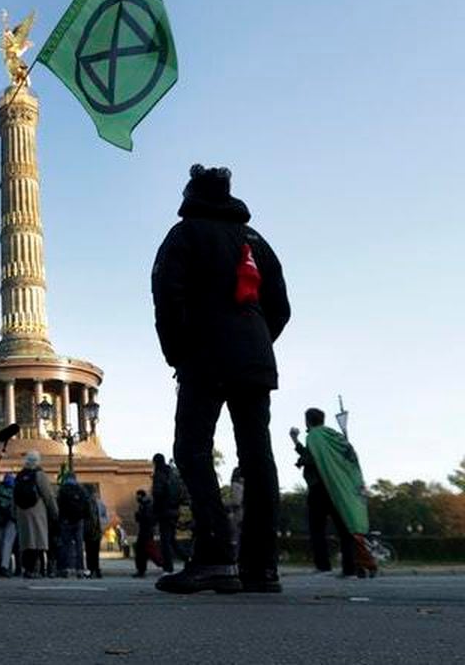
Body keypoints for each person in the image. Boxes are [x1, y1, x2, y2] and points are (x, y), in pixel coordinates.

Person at [152, 164, 290, 595]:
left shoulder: (185, 235)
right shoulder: (256, 242)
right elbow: (281, 306)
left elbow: (167, 298)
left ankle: (214, 555)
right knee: (257, 457)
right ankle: (261, 567)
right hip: (254, 361)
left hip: (205, 356)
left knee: (191, 449)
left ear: (192, 193)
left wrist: (178, 351)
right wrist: (255, 343)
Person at [291, 409, 377, 578]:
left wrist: (299, 455)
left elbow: (311, 458)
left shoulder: (314, 436)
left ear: (307, 421)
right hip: (340, 489)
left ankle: (323, 566)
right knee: (344, 528)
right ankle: (349, 568)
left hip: (320, 487)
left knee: (317, 528)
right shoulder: (335, 436)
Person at [14, 450, 57, 578]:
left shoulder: (20, 475)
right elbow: (48, 495)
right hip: (36, 511)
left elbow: (14, 495)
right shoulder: (39, 474)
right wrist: (54, 511)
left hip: (22, 511)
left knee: (26, 542)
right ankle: (37, 570)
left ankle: (27, 569)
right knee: (37, 542)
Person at [151, 454, 182, 572]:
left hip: (164, 511)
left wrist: (155, 512)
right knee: (172, 540)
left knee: (166, 541)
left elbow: (157, 494)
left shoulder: (159, 475)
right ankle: (187, 558)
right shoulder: (172, 474)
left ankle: (168, 566)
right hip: (174, 510)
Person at [56, 472, 88, 578]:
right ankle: (80, 569)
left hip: (66, 521)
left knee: (66, 545)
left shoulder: (63, 490)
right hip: (79, 521)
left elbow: (59, 505)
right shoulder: (81, 489)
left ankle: (66, 569)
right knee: (79, 546)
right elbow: (86, 505)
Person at [0, 473, 18, 577]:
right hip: (11, 519)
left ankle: (0, 566)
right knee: (8, 542)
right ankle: (5, 565)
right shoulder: (14, 492)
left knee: (1, 542)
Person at [83, 484, 106, 579]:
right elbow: (104, 517)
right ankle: (96, 570)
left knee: (89, 552)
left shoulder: (86, 502)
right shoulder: (100, 503)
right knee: (95, 552)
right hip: (97, 530)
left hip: (89, 530)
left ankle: (91, 570)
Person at [133, 489, 156, 577]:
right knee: (143, 552)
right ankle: (141, 570)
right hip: (146, 531)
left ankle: (141, 570)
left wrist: (139, 515)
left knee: (141, 552)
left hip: (146, 532)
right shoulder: (145, 504)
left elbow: (147, 518)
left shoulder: (146, 505)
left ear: (141, 495)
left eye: (137, 495)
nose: (136, 497)